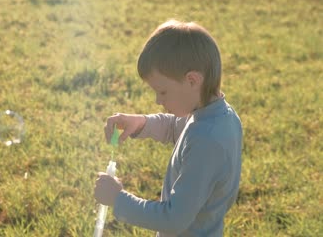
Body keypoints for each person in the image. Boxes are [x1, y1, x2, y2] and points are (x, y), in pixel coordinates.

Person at [94, 19, 242, 236]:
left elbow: (173, 219)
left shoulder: (208, 140)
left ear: (192, 80)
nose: (158, 100)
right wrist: (141, 123)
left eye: (162, 92)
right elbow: (176, 127)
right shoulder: (215, 116)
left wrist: (118, 199)